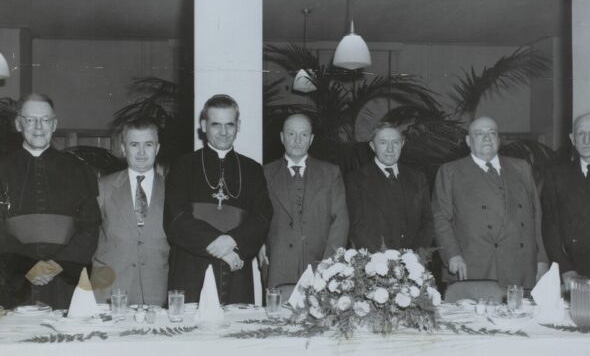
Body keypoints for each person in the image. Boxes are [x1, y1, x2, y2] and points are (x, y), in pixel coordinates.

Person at [164, 94, 273, 304]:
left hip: (237, 272)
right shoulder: (183, 166)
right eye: (216, 125)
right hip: (192, 268)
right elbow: (176, 219)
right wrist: (222, 247)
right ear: (204, 125)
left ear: (238, 125)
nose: (223, 132)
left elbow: (262, 216)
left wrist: (233, 241)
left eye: (229, 124)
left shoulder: (252, 170)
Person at [0, 94, 101, 309]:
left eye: (45, 120)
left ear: (54, 124)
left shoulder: (78, 169)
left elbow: (90, 227)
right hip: (14, 281)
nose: (38, 126)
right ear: (18, 124)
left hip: (65, 281)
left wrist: (55, 265)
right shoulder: (3, 169)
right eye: (30, 120)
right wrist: (27, 266)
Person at [432, 116, 548, 288]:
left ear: (499, 140)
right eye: (479, 133)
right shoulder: (451, 171)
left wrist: (541, 259)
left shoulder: (521, 167)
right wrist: (452, 255)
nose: (487, 138)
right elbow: (440, 218)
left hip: (520, 265)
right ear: (468, 141)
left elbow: (536, 215)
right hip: (474, 265)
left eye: (492, 133)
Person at [263, 114, 348, 288]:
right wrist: (259, 246)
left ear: (311, 139)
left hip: (320, 267)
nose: (297, 140)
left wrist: (329, 263)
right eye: (291, 134)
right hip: (278, 267)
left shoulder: (330, 173)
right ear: (282, 137)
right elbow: (257, 216)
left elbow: (340, 221)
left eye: (303, 135)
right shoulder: (265, 174)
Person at [92, 118, 169, 306]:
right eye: (134, 145)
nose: (142, 152)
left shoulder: (173, 190)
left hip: (157, 291)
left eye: (148, 144)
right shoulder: (102, 188)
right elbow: (86, 237)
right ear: (124, 149)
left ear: (157, 148)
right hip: (109, 290)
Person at [542, 112, 590, 289]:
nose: (586, 140)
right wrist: (566, 269)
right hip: (574, 273)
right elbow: (550, 227)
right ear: (572, 138)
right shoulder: (556, 175)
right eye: (580, 133)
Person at [346, 122, 433, 252]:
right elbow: (356, 227)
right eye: (383, 142)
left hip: (414, 263)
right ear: (372, 146)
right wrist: (381, 261)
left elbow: (427, 222)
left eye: (395, 142)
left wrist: (414, 257)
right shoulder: (356, 179)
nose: (390, 149)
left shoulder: (418, 178)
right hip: (375, 263)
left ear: (402, 144)